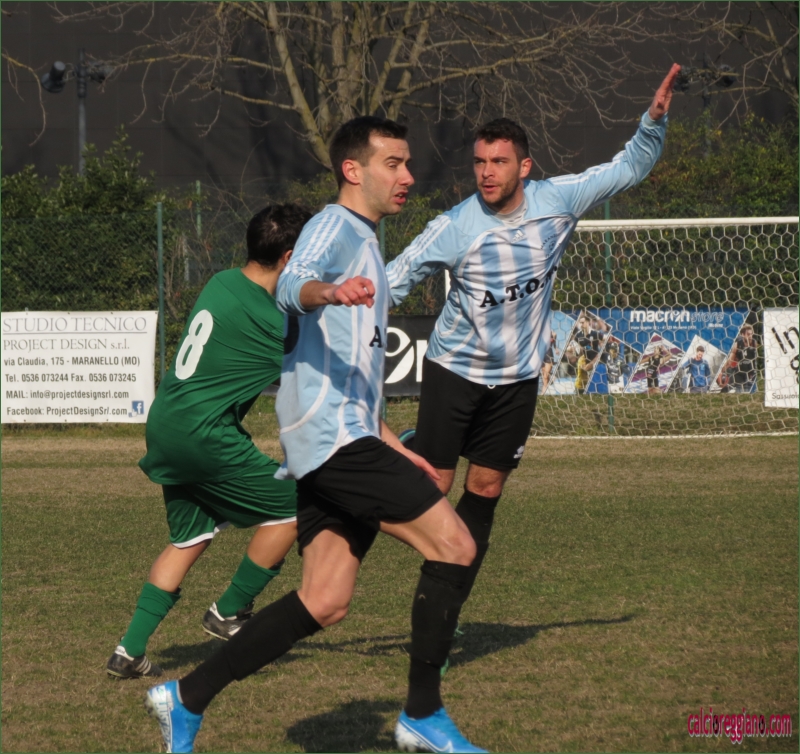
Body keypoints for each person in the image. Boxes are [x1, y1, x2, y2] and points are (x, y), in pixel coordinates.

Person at [144, 116, 485, 754]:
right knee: (456, 546)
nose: (408, 176)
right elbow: (292, 285)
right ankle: (423, 713)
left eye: (407, 163)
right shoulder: (335, 225)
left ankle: (186, 698)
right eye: (393, 163)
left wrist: (394, 446)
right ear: (353, 170)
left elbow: (345, 378)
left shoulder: (366, 242)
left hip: (334, 441)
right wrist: (327, 289)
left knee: (324, 600)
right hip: (334, 444)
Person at [386, 65, 681, 611]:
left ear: (524, 166)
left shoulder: (558, 200)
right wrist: (334, 308)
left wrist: (653, 121)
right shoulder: (454, 227)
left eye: (498, 162)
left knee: (486, 489)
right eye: (479, 162)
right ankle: (408, 451)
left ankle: (442, 609)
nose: (486, 172)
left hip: (518, 377)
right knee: (435, 490)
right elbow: (392, 282)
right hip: (455, 370)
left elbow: (628, 168)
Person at [106, 205, 310, 680]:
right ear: (289, 257)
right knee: (300, 503)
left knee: (188, 538)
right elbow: (312, 374)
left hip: (166, 424)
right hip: (204, 435)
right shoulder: (270, 321)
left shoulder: (221, 281)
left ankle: (129, 651)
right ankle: (229, 610)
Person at [573, 314, 606, 394]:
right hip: (585, 360)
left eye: (583, 322)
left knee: (595, 384)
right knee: (581, 382)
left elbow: (605, 339)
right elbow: (574, 346)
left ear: (588, 322)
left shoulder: (595, 333)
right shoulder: (578, 335)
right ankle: (578, 392)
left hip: (595, 361)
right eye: (580, 323)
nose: (581, 324)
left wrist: (594, 361)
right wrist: (573, 349)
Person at [726, 324, 758, 392]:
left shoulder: (754, 343)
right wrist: (722, 370)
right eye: (748, 334)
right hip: (740, 373)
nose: (750, 336)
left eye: (751, 334)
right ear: (742, 334)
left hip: (751, 374)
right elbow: (730, 360)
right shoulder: (737, 344)